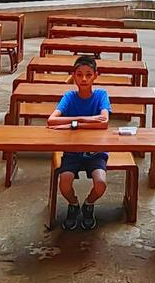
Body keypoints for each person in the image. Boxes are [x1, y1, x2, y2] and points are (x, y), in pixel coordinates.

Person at [47, 55, 110, 230]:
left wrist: (70, 123)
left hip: (95, 151)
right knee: (64, 183)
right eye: (79, 74)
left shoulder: (101, 95)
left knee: (100, 184)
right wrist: (85, 120)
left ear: (95, 76)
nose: (84, 79)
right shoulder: (69, 96)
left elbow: (104, 122)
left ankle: (88, 204)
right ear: (73, 76)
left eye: (88, 74)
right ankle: (73, 204)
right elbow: (51, 121)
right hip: (72, 151)